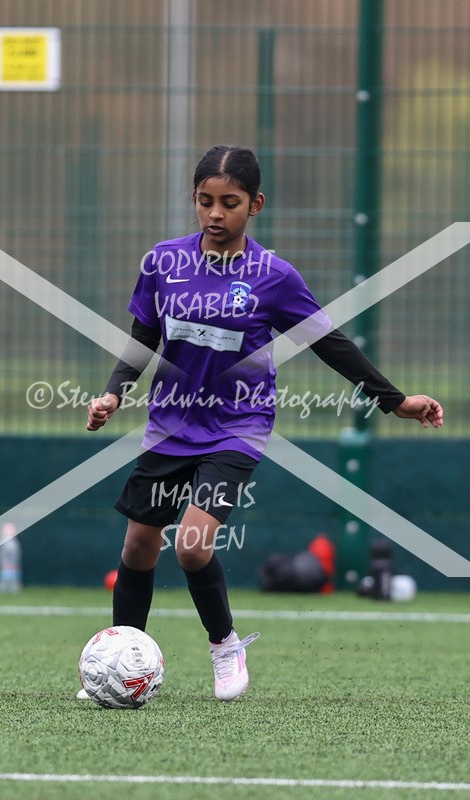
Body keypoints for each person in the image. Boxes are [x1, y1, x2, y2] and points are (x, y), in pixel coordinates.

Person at [81, 145, 443, 702]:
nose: (215, 214)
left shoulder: (273, 276)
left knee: (193, 547)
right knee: (138, 547)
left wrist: (394, 401)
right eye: (205, 201)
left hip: (237, 427)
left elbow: (329, 342)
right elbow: (143, 337)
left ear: (256, 205)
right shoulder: (163, 262)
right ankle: (121, 663)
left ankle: (225, 647)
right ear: (194, 201)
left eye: (230, 202)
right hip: (170, 426)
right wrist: (112, 393)